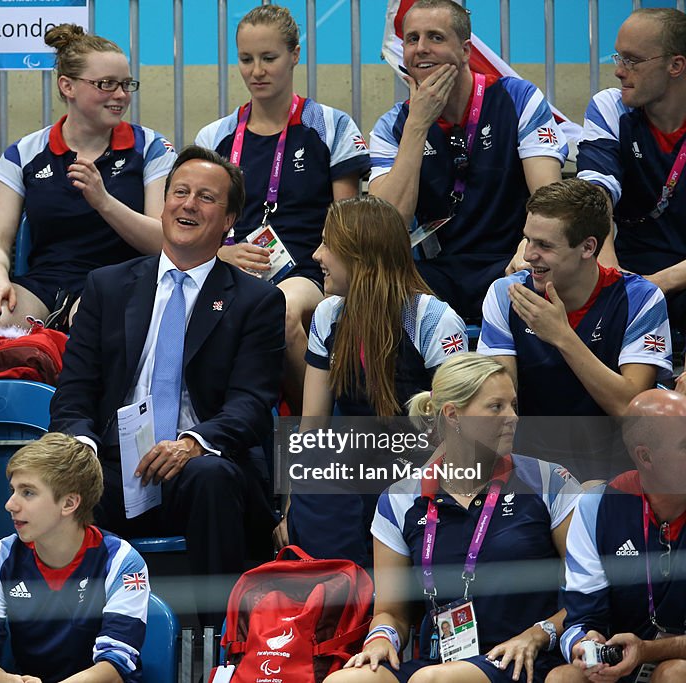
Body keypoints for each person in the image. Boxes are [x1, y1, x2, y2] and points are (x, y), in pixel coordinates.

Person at [49, 145, 285, 624]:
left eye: (205, 198)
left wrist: (194, 444)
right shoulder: (107, 286)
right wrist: (83, 450)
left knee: (210, 477)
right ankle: (72, 639)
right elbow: (74, 391)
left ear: (229, 220)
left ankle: (221, 640)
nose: (188, 204)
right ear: (163, 203)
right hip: (116, 466)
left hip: (200, 468)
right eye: (179, 192)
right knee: (59, 483)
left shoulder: (255, 301)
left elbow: (252, 403)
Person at [328, 353, 582, 683]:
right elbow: (391, 612)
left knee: (435, 681)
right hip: (440, 661)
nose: (513, 417)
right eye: (496, 407)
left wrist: (538, 634)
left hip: (522, 657)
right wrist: (380, 639)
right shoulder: (400, 499)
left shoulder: (549, 482)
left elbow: (589, 593)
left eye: (513, 405)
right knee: (345, 681)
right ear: (453, 415)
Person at [0, 23, 175, 363]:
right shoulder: (23, 154)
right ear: (67, 86)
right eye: (106, 84)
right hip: (47, 283)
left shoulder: (151, 148)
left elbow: (162, 240)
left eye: (126, 84)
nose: (120, 95)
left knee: (92, 325)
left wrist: (104, 202)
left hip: (123, 278)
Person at [195, 4, 370, 414]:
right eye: (246, 59)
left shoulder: (331, 125)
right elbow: (199, 222)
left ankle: (312, 433)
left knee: (280, 310)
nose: (257, 70)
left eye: (269, 58)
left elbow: (347, 224)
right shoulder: (215, 136)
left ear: (295, 54)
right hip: (230, 268)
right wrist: (219, 254)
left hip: (308, 271)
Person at [284, 195, 466, 565]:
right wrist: (290, 505)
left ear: (360, 256)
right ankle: (341, 602)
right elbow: (312, 428)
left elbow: (461, 432)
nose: (317, 255)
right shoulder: (327, 315)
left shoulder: (433, 320)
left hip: (425, 468)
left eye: (327, 246)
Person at [368, 0, 567, 320]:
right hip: (431, 272)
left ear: (465, 51)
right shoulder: (392, 126)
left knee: (545, 282)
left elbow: (549, 197)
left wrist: (529, 247)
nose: (421, 49)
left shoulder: (518, 98)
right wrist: (418, 124)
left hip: (511, 261)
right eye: (412, 39)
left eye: (435, 37)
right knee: (376, 295)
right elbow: (387, 226)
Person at [478, 179, 671, 480]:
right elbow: (500, 402)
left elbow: (630, 408)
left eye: (544, 245)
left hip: (615, 470)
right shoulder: (508, 294)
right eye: (527, 240)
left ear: (587, 247)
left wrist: (562, 336)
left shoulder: (640, 298)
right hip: (532, 469)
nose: (528, 255)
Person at [0, 433, 149, 683]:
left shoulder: (121, 561)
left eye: (27, 493)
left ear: (69, 503)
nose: (10, 504)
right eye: (13, 490)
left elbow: (115, 665)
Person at [547, 389, 686, 683]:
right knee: (563, 678)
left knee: (674, 673)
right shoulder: (597, 507)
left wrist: (649, 650)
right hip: (623, 660)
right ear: (645, 456)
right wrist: (585, 644)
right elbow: (578, 620)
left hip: (674, 660)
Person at [576, 8, 686, 332]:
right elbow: (595, 193)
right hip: (630, 269)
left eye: (632, 61)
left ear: (675, 65)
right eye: (618, 58)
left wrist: (658, 284)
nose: (619, 72)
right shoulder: (610, 107)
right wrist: (607, 265)